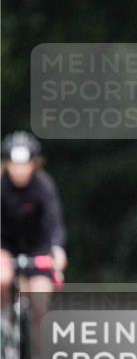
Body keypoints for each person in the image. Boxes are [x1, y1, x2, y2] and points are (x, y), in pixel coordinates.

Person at [1, 131, 68, 348]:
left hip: (37, 247)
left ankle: (40, 355)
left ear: (34, 164)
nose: (20, 170)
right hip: (5, 244)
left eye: (25, 164)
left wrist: (57, 249)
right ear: (6, 164)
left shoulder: (44, 186)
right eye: (15, 164)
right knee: (2, 278)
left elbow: (54, 222)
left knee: (41, 300)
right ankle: (3, 324)